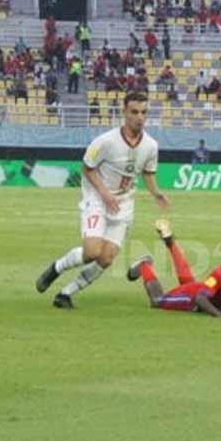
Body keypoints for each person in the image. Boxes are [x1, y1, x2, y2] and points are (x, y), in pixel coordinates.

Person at [35, 91, 170, 309]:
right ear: (124, 112)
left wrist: (156, 193)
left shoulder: (151, 146)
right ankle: (56, 268)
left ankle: (65, 294)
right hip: (97, 198)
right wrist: (105, 193)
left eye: (144, 112)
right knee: (92, 252)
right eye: (134, 112)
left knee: (106, 259)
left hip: (123, 205)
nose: (139, 117)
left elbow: (147, 172)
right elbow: (87, 168)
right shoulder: (106, 141)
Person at [127, 219, 221, 318]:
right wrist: (220, 316)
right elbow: (200, 299)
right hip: (192, 299)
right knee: (157, 301)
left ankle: (170, 243)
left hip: (200, 288)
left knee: (188, 282)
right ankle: (144, 265)